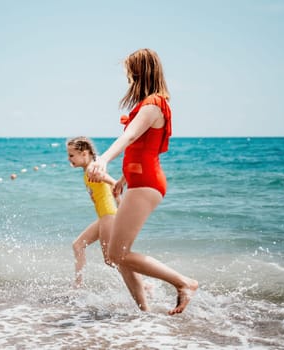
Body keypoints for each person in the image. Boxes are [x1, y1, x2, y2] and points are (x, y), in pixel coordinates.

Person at [87, 48, 198, 315]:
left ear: (139, 72)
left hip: (147, 183)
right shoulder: (152, 105)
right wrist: (124, 177)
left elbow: (129, 138)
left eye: (129, 73)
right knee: (118, 254)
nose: (128, 79)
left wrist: (103, 160)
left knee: (117, 255)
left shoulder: (152, 105)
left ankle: (184, 283)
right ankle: (144, 313)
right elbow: (145, 147)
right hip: (140, 181)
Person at [66, 136, 119, 288]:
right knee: (78, 245)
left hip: (108, 216)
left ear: (84, 153)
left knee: (111, 260)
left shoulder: (92, 169)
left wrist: (116, 186)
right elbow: (110, 188)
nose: (69, 159)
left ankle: (145, 286)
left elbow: (114, 183)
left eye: (71, 155)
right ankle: (78, 286)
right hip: (106, 216)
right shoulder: (90, 169)